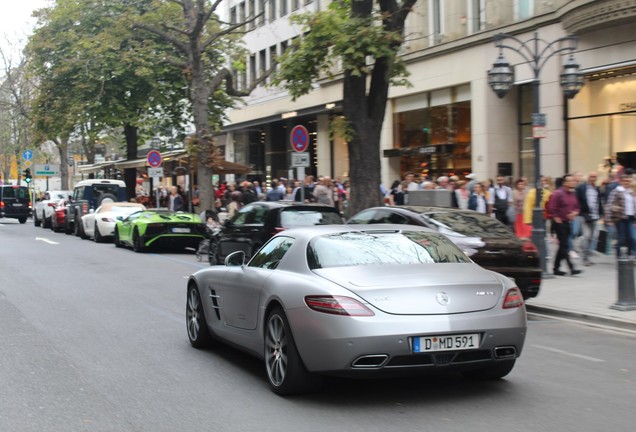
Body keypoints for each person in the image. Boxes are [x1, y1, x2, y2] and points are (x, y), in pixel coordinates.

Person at [548, 174, 582, 276]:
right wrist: (555, 217)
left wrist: (575, 213)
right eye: (571, 181)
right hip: (560, 222)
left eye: (573, 181)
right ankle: (572, 268)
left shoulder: (572, 194)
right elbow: (551, 207)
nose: (573, 182)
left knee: (562, 246)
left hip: (568, 222)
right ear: (565, 183)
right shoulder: (558, 193)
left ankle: (556, 268)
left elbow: (577, 207)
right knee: (565, 245)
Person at [576, 171, 603, 266]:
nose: (593, 178)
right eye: (591, 176)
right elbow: (577, 200)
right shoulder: (582, 187)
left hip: (594, 216)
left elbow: (598, 202)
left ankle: (586, 256)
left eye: (594, 176)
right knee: (587, 236)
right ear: (588, 177)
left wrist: (600, 213)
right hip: (584, 215)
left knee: (592, 237)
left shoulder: (596, 188)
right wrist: (579, 211)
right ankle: (584, 257)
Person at [605, 174, 635, 257]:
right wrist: (608, 219)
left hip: (630, 217)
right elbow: (609, 205)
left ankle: (629, 255)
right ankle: (619, 257)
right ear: (621, 181)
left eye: (628, 181)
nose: (626, 182)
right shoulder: (616, 191)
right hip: (620, 217)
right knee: (621, 238)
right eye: (624, 181)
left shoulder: (631, 192)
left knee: (631, 237)